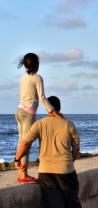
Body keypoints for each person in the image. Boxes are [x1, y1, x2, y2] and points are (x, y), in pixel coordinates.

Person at [15, 96, 84, 208]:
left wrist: (17, 159)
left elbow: (25, 143)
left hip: (46, 173)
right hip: (66, 172)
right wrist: (70, 161)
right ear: (59, 108)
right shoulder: (69, 124)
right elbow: (76, 148)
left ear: (48, 108)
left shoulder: (40, 124)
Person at [16, 53, 62, 184]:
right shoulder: (37, 78)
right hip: (28, 113)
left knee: (21, 142)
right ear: (36, 65)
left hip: (18, 111)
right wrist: (54, 112)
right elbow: (42, 98)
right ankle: (23, 176)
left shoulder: (23, 78)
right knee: (27, 143)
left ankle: (21, 174)